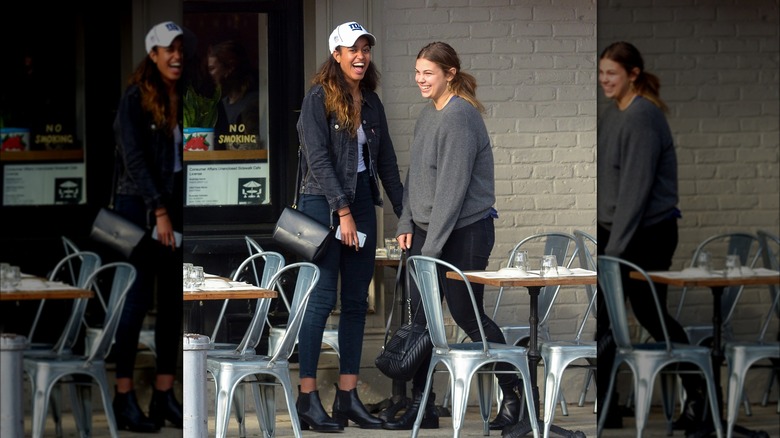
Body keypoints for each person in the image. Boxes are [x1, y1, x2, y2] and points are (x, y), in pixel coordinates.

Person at [386, 41, 521, 432]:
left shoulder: (460, 117)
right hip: (429, 233)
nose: (420, 80)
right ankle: (423, 406)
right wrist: (405, 223)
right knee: (422, 323)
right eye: (417, 73)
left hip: (465, 232)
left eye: (428, 73)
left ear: (450, 74)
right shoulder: (429, 115)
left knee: (466, 314)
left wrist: (431, 250)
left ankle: (516, 396)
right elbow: (418, 176)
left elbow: (452, 189)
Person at [295, 21, 404, 431]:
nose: (360, 56)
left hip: (360, 200)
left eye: (365, 49)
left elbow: (388, 164)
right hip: (321, 203)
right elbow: (318, 160)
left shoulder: (372, 102)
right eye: (352, 49)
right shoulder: (317, 98)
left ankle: (347, 398)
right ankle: (307, 398)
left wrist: (404, 214)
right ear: (336, 55)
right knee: (322, 299)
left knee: (357, 301)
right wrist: (341, 212)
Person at [595, 41, 707, 435]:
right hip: (618, 231)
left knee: (650, 316)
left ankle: (699, 397)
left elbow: (636, 191)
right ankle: (606, 409)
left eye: (612, 72)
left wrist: (615, 250)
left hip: (647, 233)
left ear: (633, 74)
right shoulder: (614, 114)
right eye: (601, 72)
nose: (604, 79)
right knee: (606, 321)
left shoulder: (643, 117)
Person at [110, 21, 184, 432]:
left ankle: (163, 395)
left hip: (170, 209)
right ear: (152, 54)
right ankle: (123, 398)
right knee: (137, 300)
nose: (176, 56)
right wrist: (158, 211)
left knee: (172, 303)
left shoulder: (181, 96)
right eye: (168, 49)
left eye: (180, 49)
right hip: (139, 208)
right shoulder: (134, 99)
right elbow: (135, 161)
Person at [207, 39, 264, 150]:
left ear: (230, 68)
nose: (210, 74)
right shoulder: (220, 105)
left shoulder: (254, 103)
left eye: (212, 68)